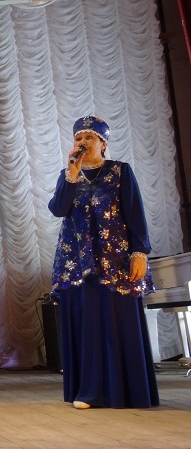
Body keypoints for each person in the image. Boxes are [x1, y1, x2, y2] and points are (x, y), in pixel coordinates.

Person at [49, 115, 159, 409]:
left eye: (89, 137)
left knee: (117, 322)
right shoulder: (68, 175)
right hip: (77, 263)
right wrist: (71, 176)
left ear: (103, 143)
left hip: (116, 261)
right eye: (78, 138)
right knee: (88, 323)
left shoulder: (120, 172)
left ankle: (129, 391)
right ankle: (89, 391)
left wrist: (140, 252)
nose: (82, 142)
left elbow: (135, 213)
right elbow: (58, 209)